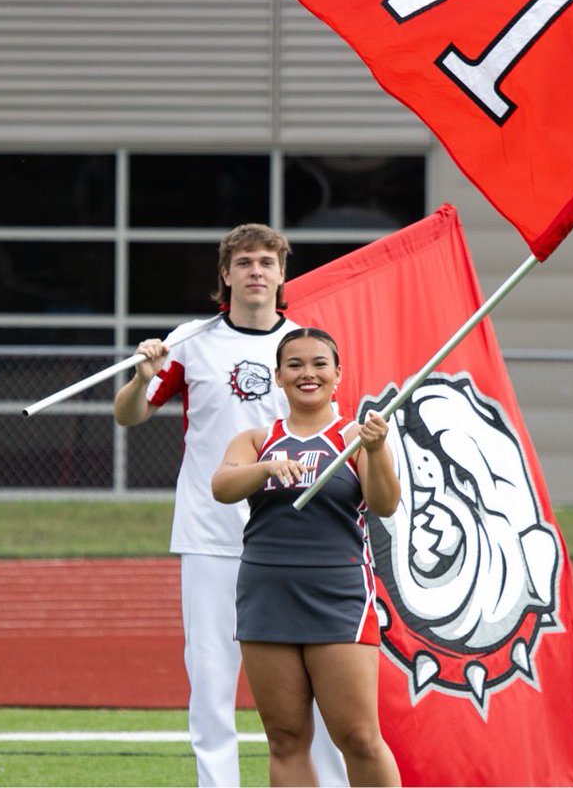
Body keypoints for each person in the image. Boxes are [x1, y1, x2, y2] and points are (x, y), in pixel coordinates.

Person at [114, 224, 348, 787]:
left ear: (282, 274)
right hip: (211, 532)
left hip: (297, 537)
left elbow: (334, 433)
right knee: (213, 684)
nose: (255, 272)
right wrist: (140, 375)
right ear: (225, 274)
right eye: (243, 262)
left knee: (319, 685)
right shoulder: (190, 341)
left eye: (267, 262)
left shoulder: (306, 347)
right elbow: (129, 415)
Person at [212, 328, 402, 788]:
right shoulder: (257, 439)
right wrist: (266, 468)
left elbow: (384, 503)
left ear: (338, 374)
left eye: (319, 363)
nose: (307, 373)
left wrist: (375, 451)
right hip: (266, 594)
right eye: (294, 365)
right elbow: (222, 487)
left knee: (358, 736)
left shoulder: (357, 436)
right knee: (285, 737)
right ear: (278, 376)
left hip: (338, 595)